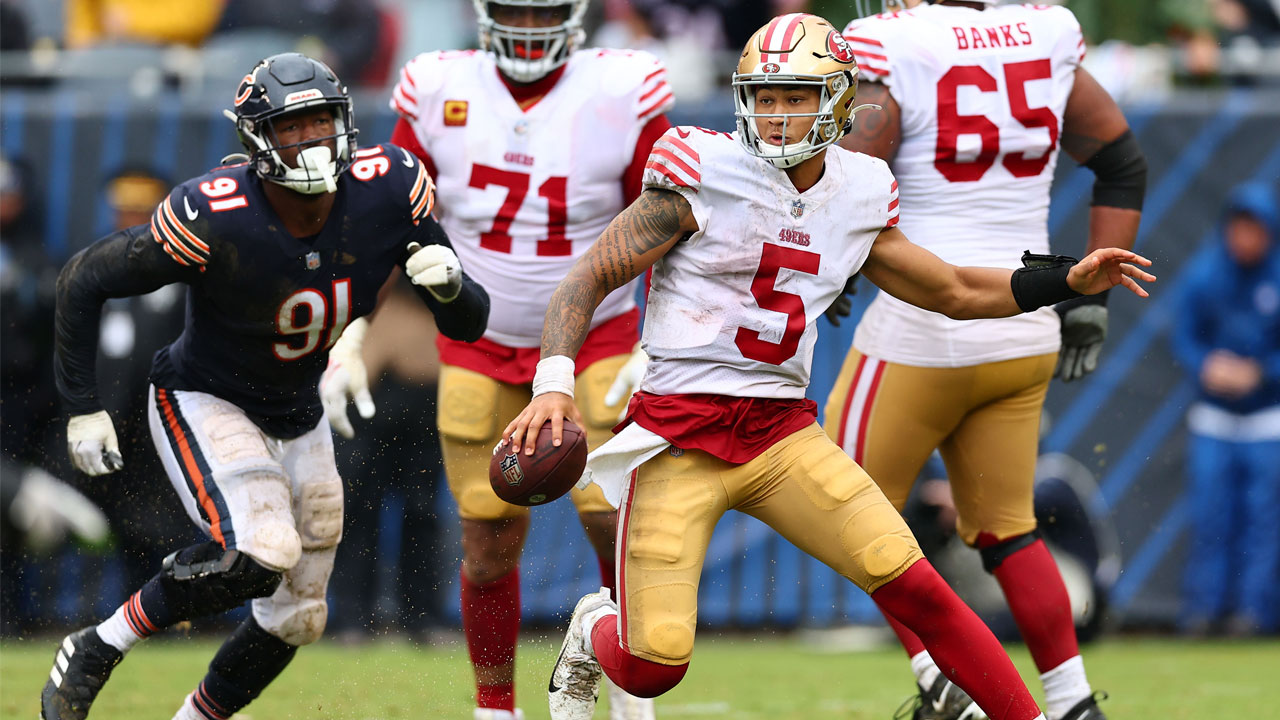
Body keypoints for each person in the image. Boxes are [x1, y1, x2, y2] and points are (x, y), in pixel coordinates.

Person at [500, 13, 1154, 720]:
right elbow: (585, 280)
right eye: (764, 96)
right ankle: (595, 628)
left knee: (918, 589)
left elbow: (954, 291)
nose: (776, 115)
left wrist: (1066, 281)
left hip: (781, 436)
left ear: (839, 100)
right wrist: (554, 384)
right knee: (655, 666)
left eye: (796, 96)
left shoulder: (860, 188)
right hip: (677, 438)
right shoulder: (699, 168)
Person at [41, 52, 489, 720]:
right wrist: (83, 407)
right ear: (256, 139)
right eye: (290, 127)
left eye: (320, 122)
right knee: (261, 550)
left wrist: (451, 287)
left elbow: (469, 322)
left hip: (298, 408)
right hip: (204, 395)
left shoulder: (389, 187)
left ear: (345, 122)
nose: (309, 141)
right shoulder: (216, 214)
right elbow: (84, 277)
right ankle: (100, 643)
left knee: (299, 616)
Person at [341, 1, 674, 717]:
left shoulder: (621, 88)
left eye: (543, 10)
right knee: (487, 537)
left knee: (611, 514)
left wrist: (665, 331)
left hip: (601, 335)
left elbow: (666, 219)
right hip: (478, 343)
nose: (528, 25)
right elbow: (388, 213)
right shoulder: (436, 86)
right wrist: (351, 329)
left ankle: (626, 681)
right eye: (514, 10)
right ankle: (496, 705)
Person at [824, 2, 1148, 718]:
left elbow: (848, 183)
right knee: (1010, 530)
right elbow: (1123, 164)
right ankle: (1069, 702)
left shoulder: (894, 42)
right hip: (1026, 319)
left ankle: (944, 686)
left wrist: (837, 268)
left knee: (843, 515)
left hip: (922, 325)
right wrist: (1090, 303)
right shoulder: (1044, 30)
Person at [1172, 181, 1280, 637]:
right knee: (1211, 511)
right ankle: (1203, 611)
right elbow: (1182, 336)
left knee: (1263, 517)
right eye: (1239, 227)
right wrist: (1207, 366)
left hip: (1267, 416)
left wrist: (1261, 372)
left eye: (1254, 229)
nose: (1245, 238)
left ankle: (1254, 614)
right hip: (1214, 415)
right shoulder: (1204, 275)